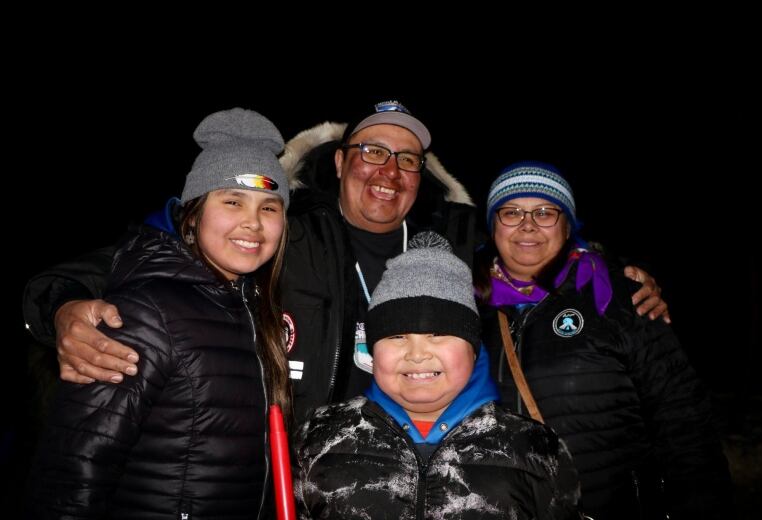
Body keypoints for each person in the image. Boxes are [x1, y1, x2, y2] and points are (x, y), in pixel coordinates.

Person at [22, 101, 667, 425]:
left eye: (407, 159)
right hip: (281, 482)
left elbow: (533, 248)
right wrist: (61, 307)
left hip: (399, 478)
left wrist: (606, 267)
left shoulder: (448, 244)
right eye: (372, 152)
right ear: (339, 162)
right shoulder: (284, 232)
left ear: (422, 178)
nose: (389, 171)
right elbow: (160, 246)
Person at [28, 108, 291, 519]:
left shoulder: (255, 308)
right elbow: (75, 470)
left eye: (269, 207)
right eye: (233, 201)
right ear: (193, 212)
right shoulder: (144, 312)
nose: (252, 223)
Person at [474, 161, 734, 520]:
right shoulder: (465, 306)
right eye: (511, 212)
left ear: (568, 226)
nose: (528, 224)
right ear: (493, 226)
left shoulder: (617, 297)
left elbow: (684, 422)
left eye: (546, 212)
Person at [295, 231, 581, 519]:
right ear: (372, 350)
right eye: (396, 336)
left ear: (473, 350)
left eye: (439, 334)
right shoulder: (317, 438)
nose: (417, 354)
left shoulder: (536, 448)